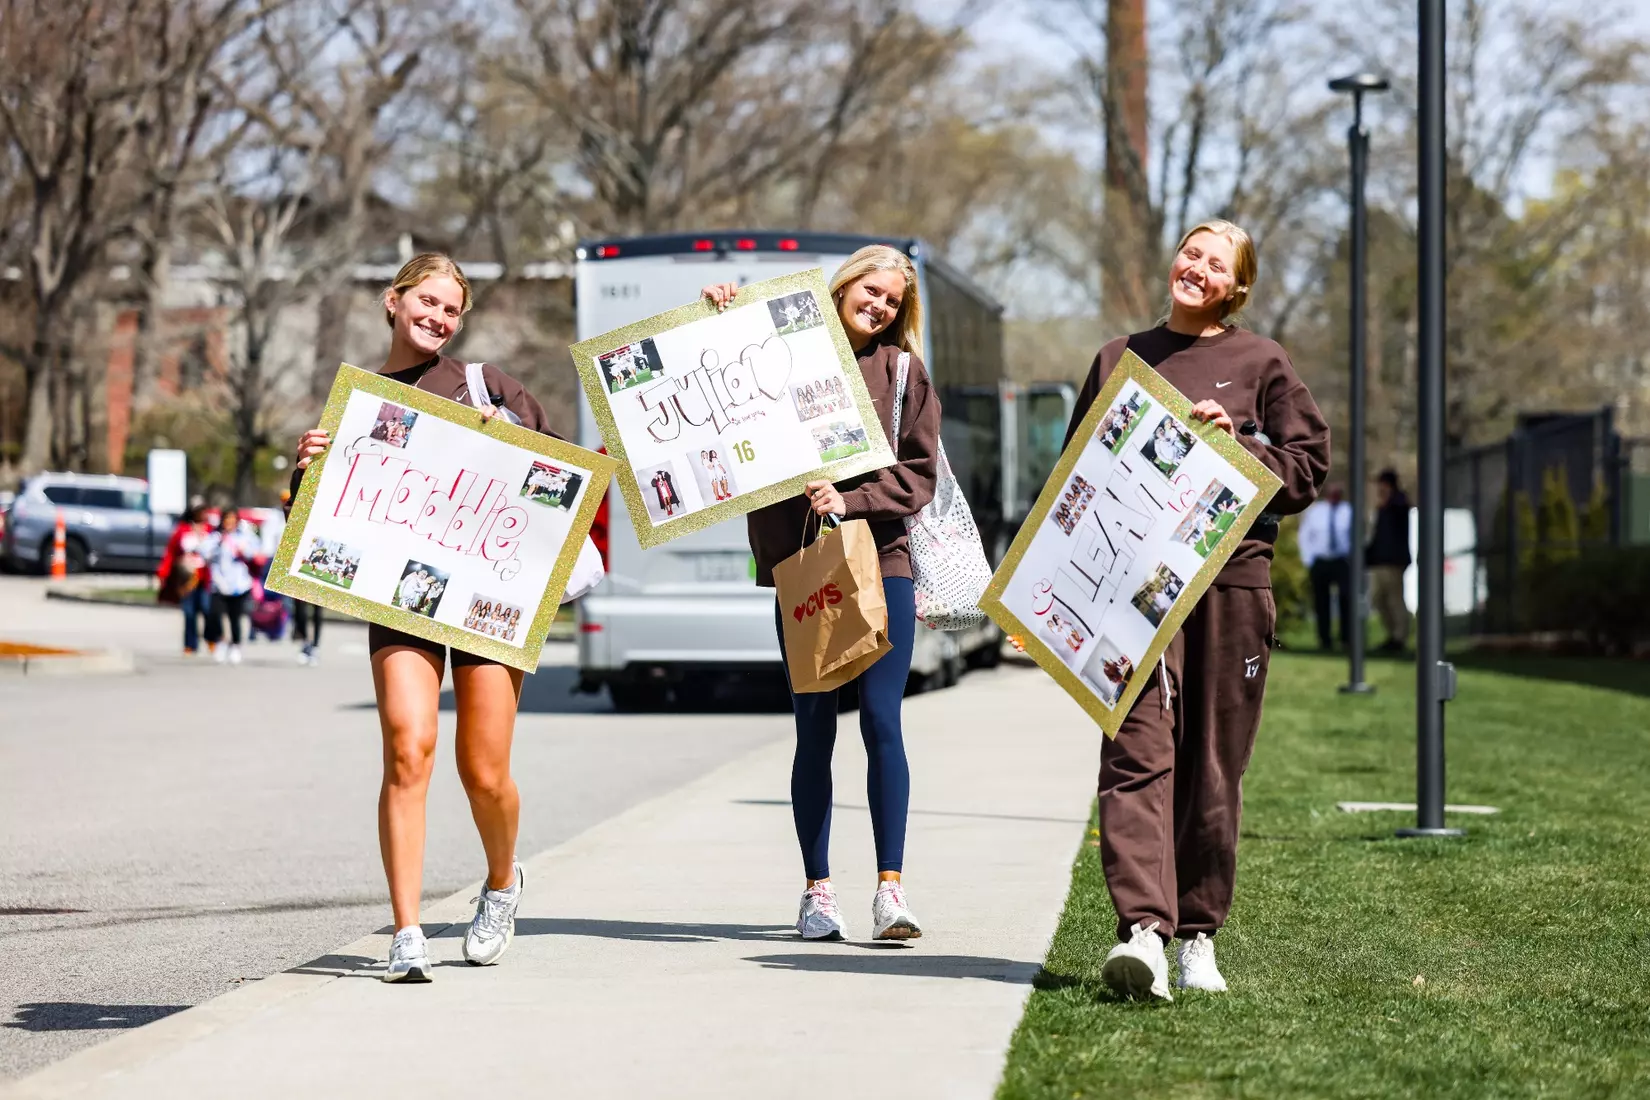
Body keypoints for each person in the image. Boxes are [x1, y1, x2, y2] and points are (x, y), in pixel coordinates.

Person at [1058, 219, 1329, 1000]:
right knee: (1137, 748)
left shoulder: (1261, 362)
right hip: (1130, 593)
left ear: (1235, 287)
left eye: (1217, 263)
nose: (1198, 268)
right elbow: (1075, 483)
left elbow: (1308, 466)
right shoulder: (1119, 359)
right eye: (1191, 252)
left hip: (1229, 586)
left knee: (1213, 761)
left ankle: (1198, 936)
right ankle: (1144, 930)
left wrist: (1238, 443)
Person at [290, 253, 558, 983]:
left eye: (451, 310)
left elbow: (553, 486)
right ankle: (406, 931)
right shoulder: (360, 401)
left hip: (484, 603)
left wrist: (508, 435)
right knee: (408, 750)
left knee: (484, 770)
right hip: (400, 601)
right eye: (427, 302)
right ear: (392, 300)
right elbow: (321, 525)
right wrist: (306, 468)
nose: (437, 318)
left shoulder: (487, 386)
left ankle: (501, 883)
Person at [702, 243, 940, 943]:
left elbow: (919, 476)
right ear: (842, 289)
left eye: (893, 301)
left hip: (883, 558)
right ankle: (818, 892)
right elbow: (716, 393)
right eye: (871, 290)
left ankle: (890, 891)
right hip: (802, 568)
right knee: (814, 726)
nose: (880, 305)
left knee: (881, 718)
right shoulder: (774, 348)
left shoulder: (900, 373)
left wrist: (855, 496)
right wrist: (722, 318)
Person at [1298, 484, 1353, 651]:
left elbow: (1355, 535)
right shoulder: (1316, 511)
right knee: (1322, 601)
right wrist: (1309, 560)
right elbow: (1305, 536)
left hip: (1341, 560)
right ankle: (1325, 639)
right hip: (1320, 561)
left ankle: (1346, 639)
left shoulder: (1348, 511)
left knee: (1346, 600)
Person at [200, 508, 257, 665]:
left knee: (234, 618)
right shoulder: (216, 537)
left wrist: (243, 550)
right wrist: (218, 544)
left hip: (239, 584)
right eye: (227, 519)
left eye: (232, 519)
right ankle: (220, 642)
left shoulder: (243, 536)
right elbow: (204, 553)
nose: (229, 523)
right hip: (219, 583)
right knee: (215, 615)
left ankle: (235, 646)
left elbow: (254, 552)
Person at [157, 505, 215, 657]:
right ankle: (190, 644)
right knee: (189, 612)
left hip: (205, 577)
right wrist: (163, 572)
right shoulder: (182, 530)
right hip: (186, 577)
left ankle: (211, 638)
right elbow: (171, 552)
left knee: (207, 608)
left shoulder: (210, 529)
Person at [1367, 469, 1412, 653]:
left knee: (1394, 600)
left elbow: (1401, 509)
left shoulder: (1398, 504)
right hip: (1380, 561)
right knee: (1378, 599)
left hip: (1393, 561)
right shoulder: (1382, 508)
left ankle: (1399, 637)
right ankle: (1393, 634)